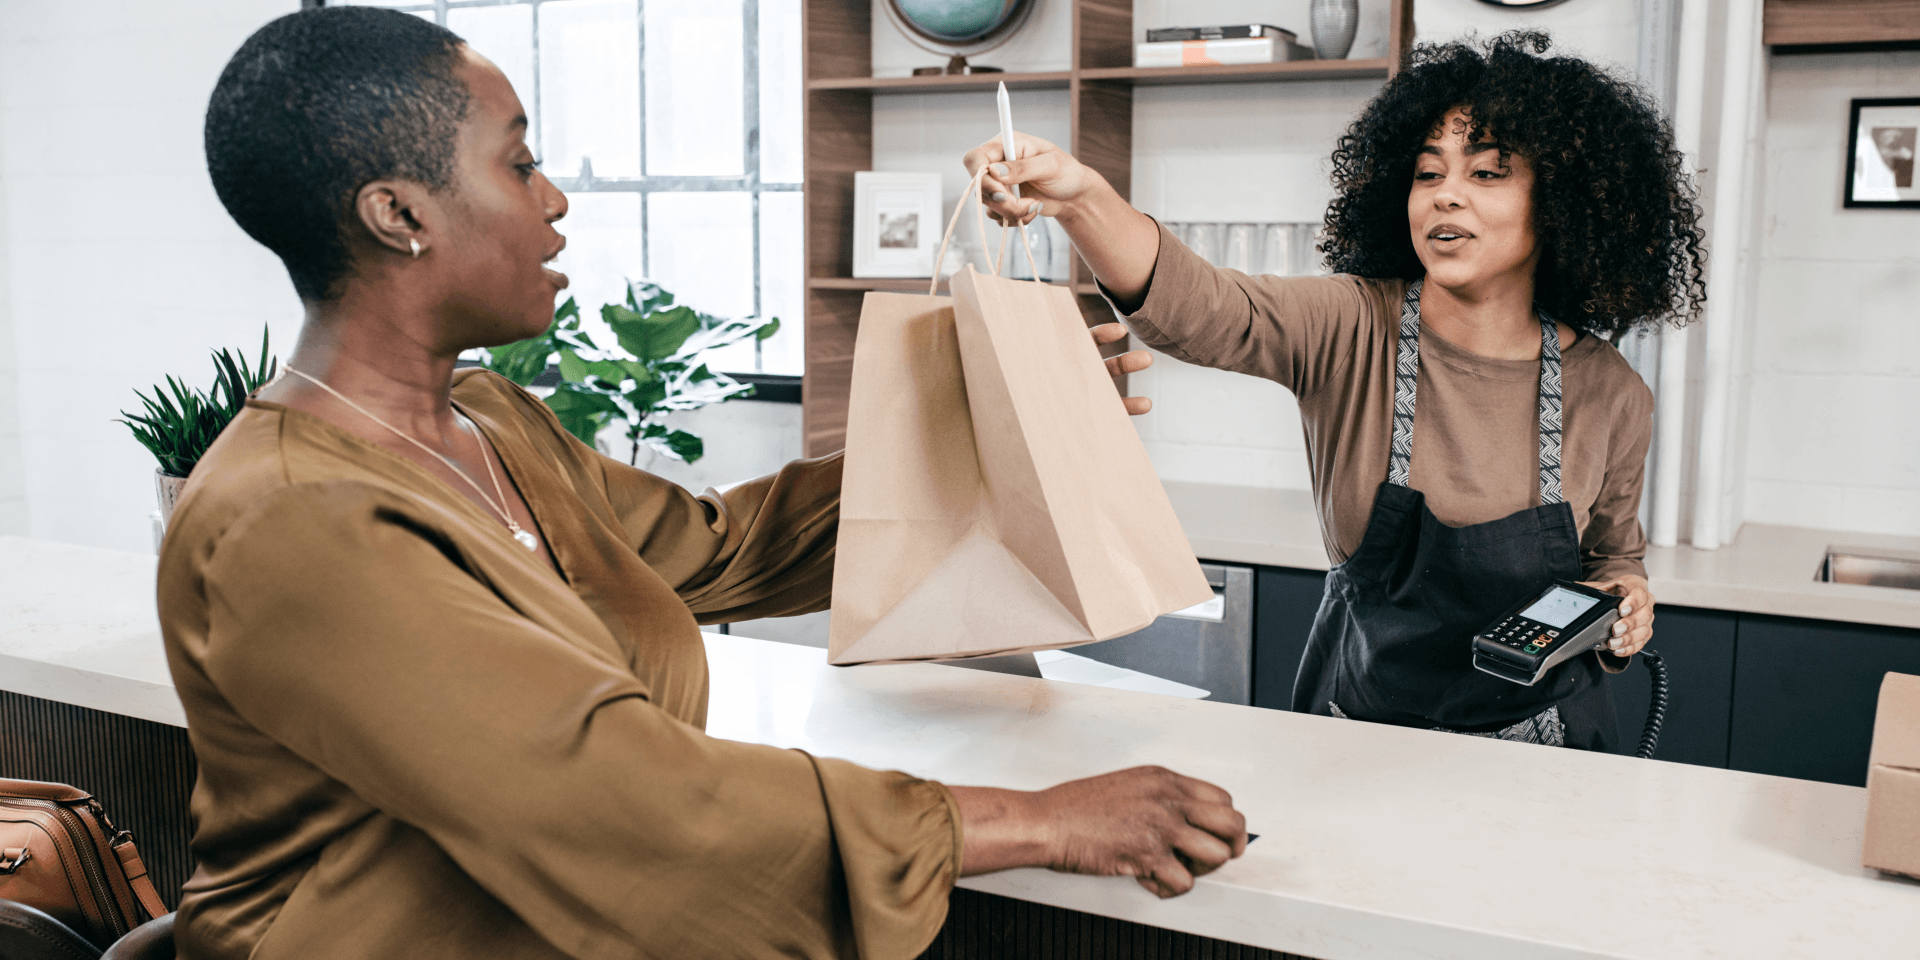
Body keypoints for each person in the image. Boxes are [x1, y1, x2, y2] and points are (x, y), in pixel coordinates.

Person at [160, 9, 1245, 960]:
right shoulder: (289, 517)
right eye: (520, 164)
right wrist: (1034, 821)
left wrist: (998, 421)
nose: (557, 200)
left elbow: (719, 547)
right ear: (400, 215)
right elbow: (609, 797)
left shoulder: (491, 421)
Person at [966, 32, 1707, 751]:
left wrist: (1626, 602)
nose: (1446, 196)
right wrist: (1082, 200)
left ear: (1562, 202)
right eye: (1428, 174)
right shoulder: (1352, 327)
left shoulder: (1611, 392)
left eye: (1486, 174)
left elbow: (1612, 556)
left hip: (1548, 751)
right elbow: (1204, 308)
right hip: (1357, 738)